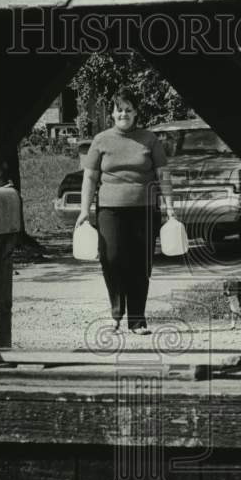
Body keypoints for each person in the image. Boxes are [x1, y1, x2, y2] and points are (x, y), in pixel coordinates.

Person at [76, 89, 175, 334]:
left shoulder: (150, 139)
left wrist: (170, 208)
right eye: (119, 109)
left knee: (141, 265)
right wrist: (84, 210)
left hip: (145, 209)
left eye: (128, 110)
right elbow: (89, 177)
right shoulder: (101, 140)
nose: (124, 114)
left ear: (136, 113)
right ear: (112, 113)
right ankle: (116, 315)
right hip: (110, 210)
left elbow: (163, 175)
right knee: (112, 259)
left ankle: (138, 320)